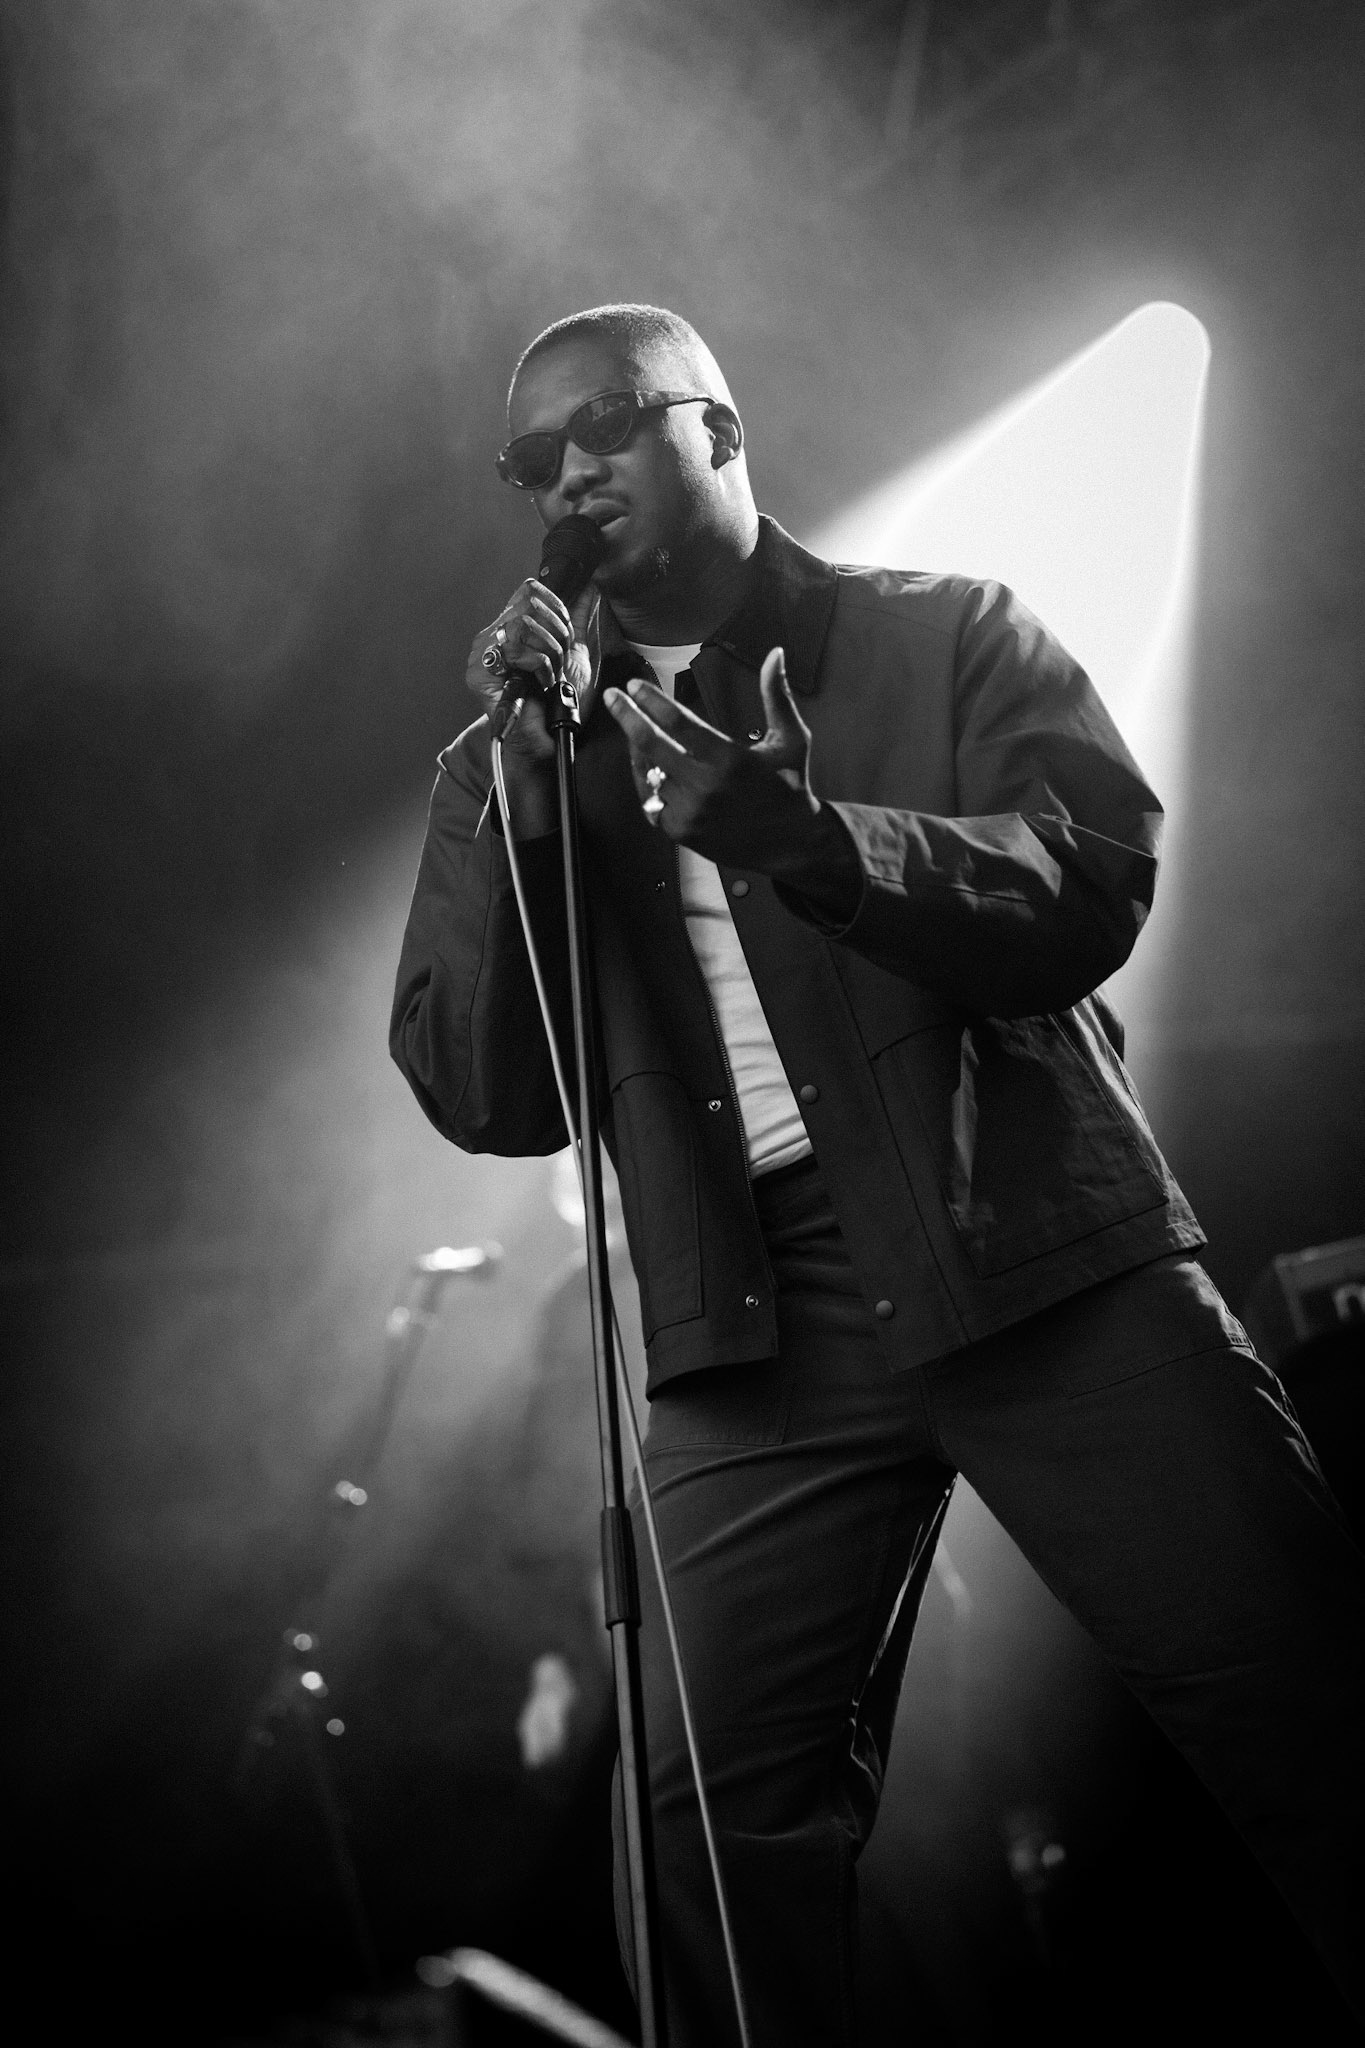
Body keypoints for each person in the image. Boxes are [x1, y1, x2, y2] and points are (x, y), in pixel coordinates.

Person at [391, 303, 1364, 2044]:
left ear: (721, 427)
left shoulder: (946, 633)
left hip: (1033, 1249)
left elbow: (1087, 882)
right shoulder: (523, 762)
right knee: (700, 1844)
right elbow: (485, 1096)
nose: (569, 470)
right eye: (534, 458)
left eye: (606, 421)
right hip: (750, 1328)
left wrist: (810, 841)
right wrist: (509, 813)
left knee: (1301, 1695)